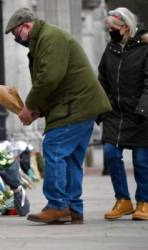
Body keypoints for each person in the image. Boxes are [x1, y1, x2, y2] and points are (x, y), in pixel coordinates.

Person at [5, 8, 112, 224]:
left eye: (17, 34)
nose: (17, 39)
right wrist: (38, 112)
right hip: (80, 105)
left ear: (26, 26)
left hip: (75, 105)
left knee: (54, 148)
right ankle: (73, 207)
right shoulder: (46, 39)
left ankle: (57, 206)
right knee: (71, 158)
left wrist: (29, 106)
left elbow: (49, 78)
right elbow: (56, 82)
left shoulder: (49, 38)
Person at [98, 7, 148, 221]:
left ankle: (144, 202)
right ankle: (123, 201)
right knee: (110, 153)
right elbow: (102, 81)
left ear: (126, 27)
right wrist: (102, 107)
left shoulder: (145, 48)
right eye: (108, 28)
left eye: (113, 28)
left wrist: (143, 109)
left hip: (140, 114)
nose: (110, 31)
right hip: (115, 114)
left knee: (141, 160)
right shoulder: (110, 49)